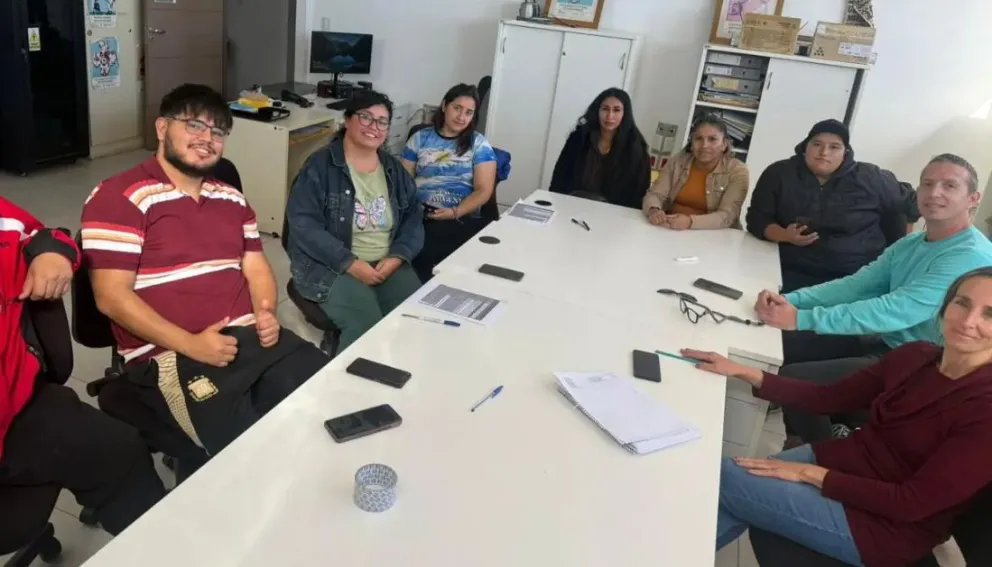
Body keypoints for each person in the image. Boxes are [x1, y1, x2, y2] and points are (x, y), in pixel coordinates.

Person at [684, 266, 992, 567]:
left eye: (989, 314)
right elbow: (828, 398)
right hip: (846, 465)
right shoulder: (915, 356)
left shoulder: (985, 408)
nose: (968, 321)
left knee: (726, 479)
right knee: (728, 489)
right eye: (962, 303)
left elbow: (912, 502)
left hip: (883, 528)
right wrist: (744, 371)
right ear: (946, 305)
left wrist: (810, 475)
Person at [81, 84, 329, 456]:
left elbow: (256, 267)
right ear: (162, 128)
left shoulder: (232, 198)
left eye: (218, 132)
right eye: (194, 125)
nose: (207, 139)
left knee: (327, 399)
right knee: (251, 453)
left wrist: (265, 312)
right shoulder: (121, 196)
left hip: (249, 339)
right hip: (170, 354)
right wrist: (192, 344)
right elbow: (111, 297)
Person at [756, 153, 992, 443]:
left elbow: (897, 309)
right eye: (927, 183)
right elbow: (857, 285)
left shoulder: (969, 255)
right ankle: (815, 433)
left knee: (795, 378)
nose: (934, 193)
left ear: (973, 199)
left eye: (949, 186)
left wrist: (802, 318)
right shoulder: (912, 242)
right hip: (886, 343)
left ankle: (825, 455)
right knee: (781, 342)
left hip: (925, 364)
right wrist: (791, 300)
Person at [0, 197, 165, 535]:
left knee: (122, 452)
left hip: (18, 406)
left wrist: (51, 252)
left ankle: (156, 548)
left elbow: (41, 234)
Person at [287, 90, 424, 350]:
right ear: (348, 119)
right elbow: (304, 225)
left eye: (382, 121)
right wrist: (349, 262)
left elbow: (413, 217)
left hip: (386, 261)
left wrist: (398, 257)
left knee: (416, 317)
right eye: (366, 117)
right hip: (330, 265)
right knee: (366, 325)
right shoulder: (320, 166)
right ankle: (345, 377)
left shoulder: (393, 168)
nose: (374, 127)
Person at [746, 119, 919, 293]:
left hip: (856, 276)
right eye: (817, 144)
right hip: (789, 268)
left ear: (845, 152)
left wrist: (902, 255)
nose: (824, 152)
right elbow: (757, 219)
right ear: (805, 147)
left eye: (834, 147)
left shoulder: (871, 177)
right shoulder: (779, 173)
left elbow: (913, 204)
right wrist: (785, 235)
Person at [401, 83, 497, 282]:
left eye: (469, 112)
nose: (461, 117)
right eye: (457, 108)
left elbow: (483, 190)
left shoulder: (479, 144)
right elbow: (403, 183)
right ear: (445, 105)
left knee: (432, 248)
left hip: (459, 217)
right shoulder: (419, 139)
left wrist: (455, 212)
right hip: (421, 214)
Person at [548, 88, 651, 208]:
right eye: (605, 109)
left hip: (613, 211)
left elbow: (639, 192)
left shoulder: (635, 146)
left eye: (616, 110)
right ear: (597, 110)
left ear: (625, 114)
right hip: (573, 203)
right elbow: (559, 177)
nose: (610, 116)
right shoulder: (579, 137)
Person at [642, 115, 749, 230]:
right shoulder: (677, 161)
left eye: (712, 139)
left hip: (715, 234)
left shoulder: (737, 171)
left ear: (724, 145)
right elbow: (655, 194)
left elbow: (726, 216)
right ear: (691, 144)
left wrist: (690, 222)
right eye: (698, 139)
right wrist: (654, 210)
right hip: (671, 228)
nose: (704, 145)